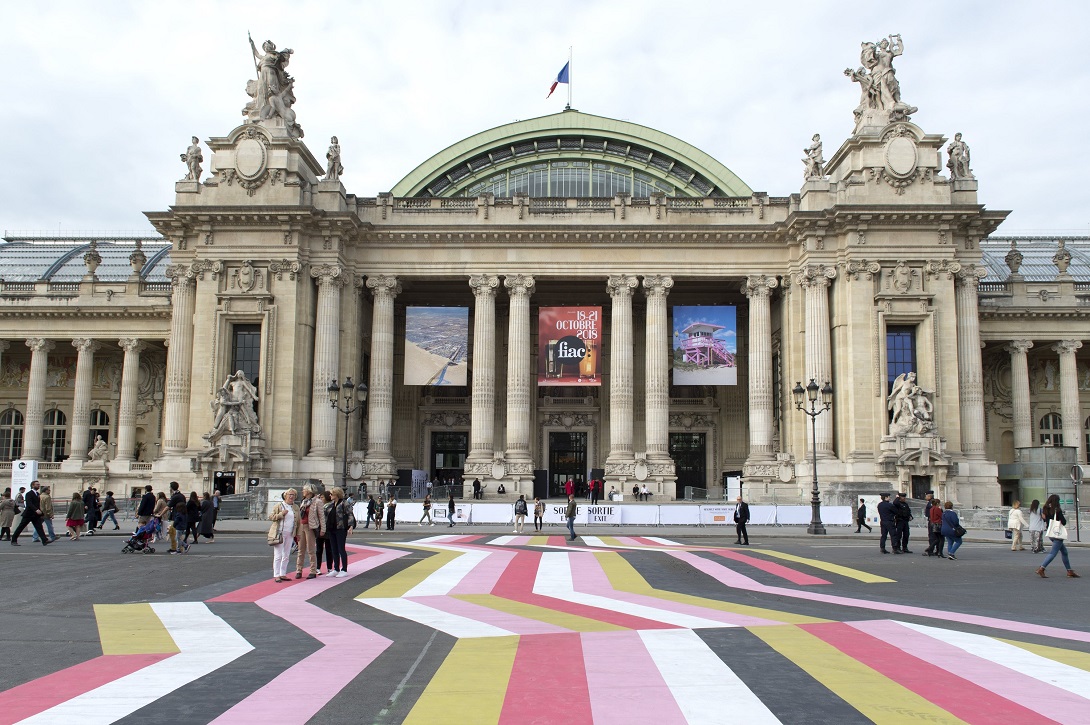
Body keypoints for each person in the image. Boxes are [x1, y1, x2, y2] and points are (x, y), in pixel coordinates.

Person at [1036, 494, 1078, 578]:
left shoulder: (1045, 509)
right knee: (1053, 553)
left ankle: (1069, 570)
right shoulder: (1057, 510)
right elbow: (1064, 521)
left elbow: (1045, 519)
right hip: (1057, 534)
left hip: (1051, 532)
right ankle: (1041, 568)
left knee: (1064, 552)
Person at [269, 489, 300, 582]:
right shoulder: (279, 506)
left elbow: (298, 522)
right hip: (279, 533)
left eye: (293, 495)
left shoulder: (295, 507)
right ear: (285, 495)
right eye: (290, 495)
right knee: (278, 555)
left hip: (290, 533)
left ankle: (283, 573)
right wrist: (281, 514)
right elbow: (271, 517)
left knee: (286, 555)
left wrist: (298, 533)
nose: (291, 497)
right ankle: (276, 574)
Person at [10, 481, 50, 547]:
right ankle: (14, 540)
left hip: (35, 515)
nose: (38, 485)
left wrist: (40, 512)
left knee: (39, 527)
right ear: (33, 485)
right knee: (21, 527)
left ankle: (44, 540)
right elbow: (29, 504)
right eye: (37, 484)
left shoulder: (37, 494)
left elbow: (37, 504)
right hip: (28, 514)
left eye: (39, 484)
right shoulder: (29, 494)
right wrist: (36, 510)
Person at [326, 487, 353, 577]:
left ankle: (344, 569)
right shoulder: (331, 504)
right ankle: (336, 569)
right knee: (334, 549)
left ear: (336, 495)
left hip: (340, 528)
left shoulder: (344, 503)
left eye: (331, 494)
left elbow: (350, 514)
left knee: (341, 549)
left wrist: (351, 526)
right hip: (331, 528)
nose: (330, 496)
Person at [295, 484, 320, 579]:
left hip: (310, 527)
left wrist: (322, 529)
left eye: (304, 490)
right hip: (302, 526)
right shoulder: (303, 501)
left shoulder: (317, 502)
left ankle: (313, 570)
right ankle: (299, 570)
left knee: (310, 550)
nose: (302, 492)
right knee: (300, 550)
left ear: (309, 491)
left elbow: (321, 516)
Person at [166, 481, 188, 554]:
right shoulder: (181, 496)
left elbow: (168, 506)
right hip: (179, 517)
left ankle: (180, 548)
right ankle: (176, 547)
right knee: (175, 534)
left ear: (171, 488)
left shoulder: (175, 496)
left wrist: (160, 514)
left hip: (176, 517)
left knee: (175, 534)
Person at [314, 491, 333, 576]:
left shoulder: (331, 506)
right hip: (320, 529)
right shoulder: (318, 506)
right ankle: (318, 567)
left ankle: (329, 567)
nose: (321, 499)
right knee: (319, 550)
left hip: (328, 530)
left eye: (322, 497)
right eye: (320, 497)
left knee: (329, 550)